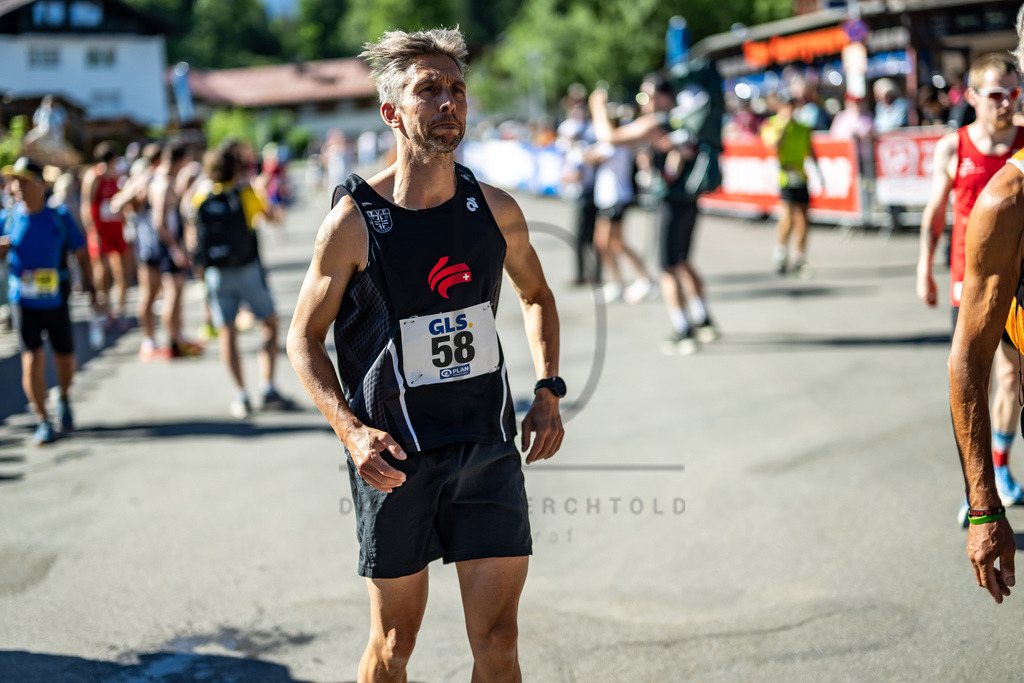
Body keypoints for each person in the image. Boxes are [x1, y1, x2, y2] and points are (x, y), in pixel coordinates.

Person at [286, 27, 563, 680]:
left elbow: (537, 295)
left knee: (498, 637)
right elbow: (303, 337)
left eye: (457, 90)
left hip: (486, 446)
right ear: (391, 112)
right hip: (396, 457)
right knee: (392, 645)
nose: (449, 103)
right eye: (428, 90)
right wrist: (351, 432)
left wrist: (548, 387)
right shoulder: (353, 220)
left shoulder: (494, 209)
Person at [918, 53, 1024, 528]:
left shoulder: (1023, 145)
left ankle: (1000, 468)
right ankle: (977, 488)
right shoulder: (952, 147)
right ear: (973, 97)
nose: (1007, 104)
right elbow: (934, 212)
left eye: (1015, 94)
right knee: (971, 381)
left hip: (1017, 282)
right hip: (969, 283)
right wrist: (925, 267)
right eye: (998, 95)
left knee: (1012, 379)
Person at [949, 6, 1024, 604]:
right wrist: (983, 507)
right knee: (1004, 369)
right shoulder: (1007, 199)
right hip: (976, 280)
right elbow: (964, 362)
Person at [589, 73, 718, 355]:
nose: (643, 103)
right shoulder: (682, 120)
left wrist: (596, 106)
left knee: (668, 270)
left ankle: (683, 330)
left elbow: (609, 137)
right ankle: (703, 318)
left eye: (646, 96)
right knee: (683, 261)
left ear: (662, 97)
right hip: (689, 200)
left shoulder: (656, 121)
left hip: (670, 203)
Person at [188, 144, 295, 418]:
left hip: (216, 273)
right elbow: (271, 218)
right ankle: (268, 386)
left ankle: (240, 394)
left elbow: (194, 239)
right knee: (269, 323)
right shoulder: (245, 193)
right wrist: (260, 188)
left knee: (228, 333)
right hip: (247, 269)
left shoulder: (200, 196)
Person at [0, 157, 98, 445]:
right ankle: (43, 419)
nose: (16, 186)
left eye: (23, 180)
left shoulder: (59, 215)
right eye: (13, 181)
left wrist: (92, 288)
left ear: (40, 184)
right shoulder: (8, 217)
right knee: (32, 360)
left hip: (56, 300)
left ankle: (64, 398)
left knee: (65, 360)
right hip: (23, 301)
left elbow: (81, 252)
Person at [761, 91, 822, 278]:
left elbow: (811, 151)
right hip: (783, 178)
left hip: (801, 177)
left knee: (803, 220)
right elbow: (774, 147)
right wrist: (785, 126)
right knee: (786, 219)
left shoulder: (803, 127)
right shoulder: (771, 125)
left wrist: (821, 174)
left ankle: (800, 258)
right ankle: (780, 252)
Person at [80, 141, 129, 343]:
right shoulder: (94, 177)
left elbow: (121, 202)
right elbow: (86, 205)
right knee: (101, 270)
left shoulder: (117, 177)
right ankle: (104, 308)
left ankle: (121, 309)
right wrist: (92, 230)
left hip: (116, 228)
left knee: (121, 270)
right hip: (100, 230)